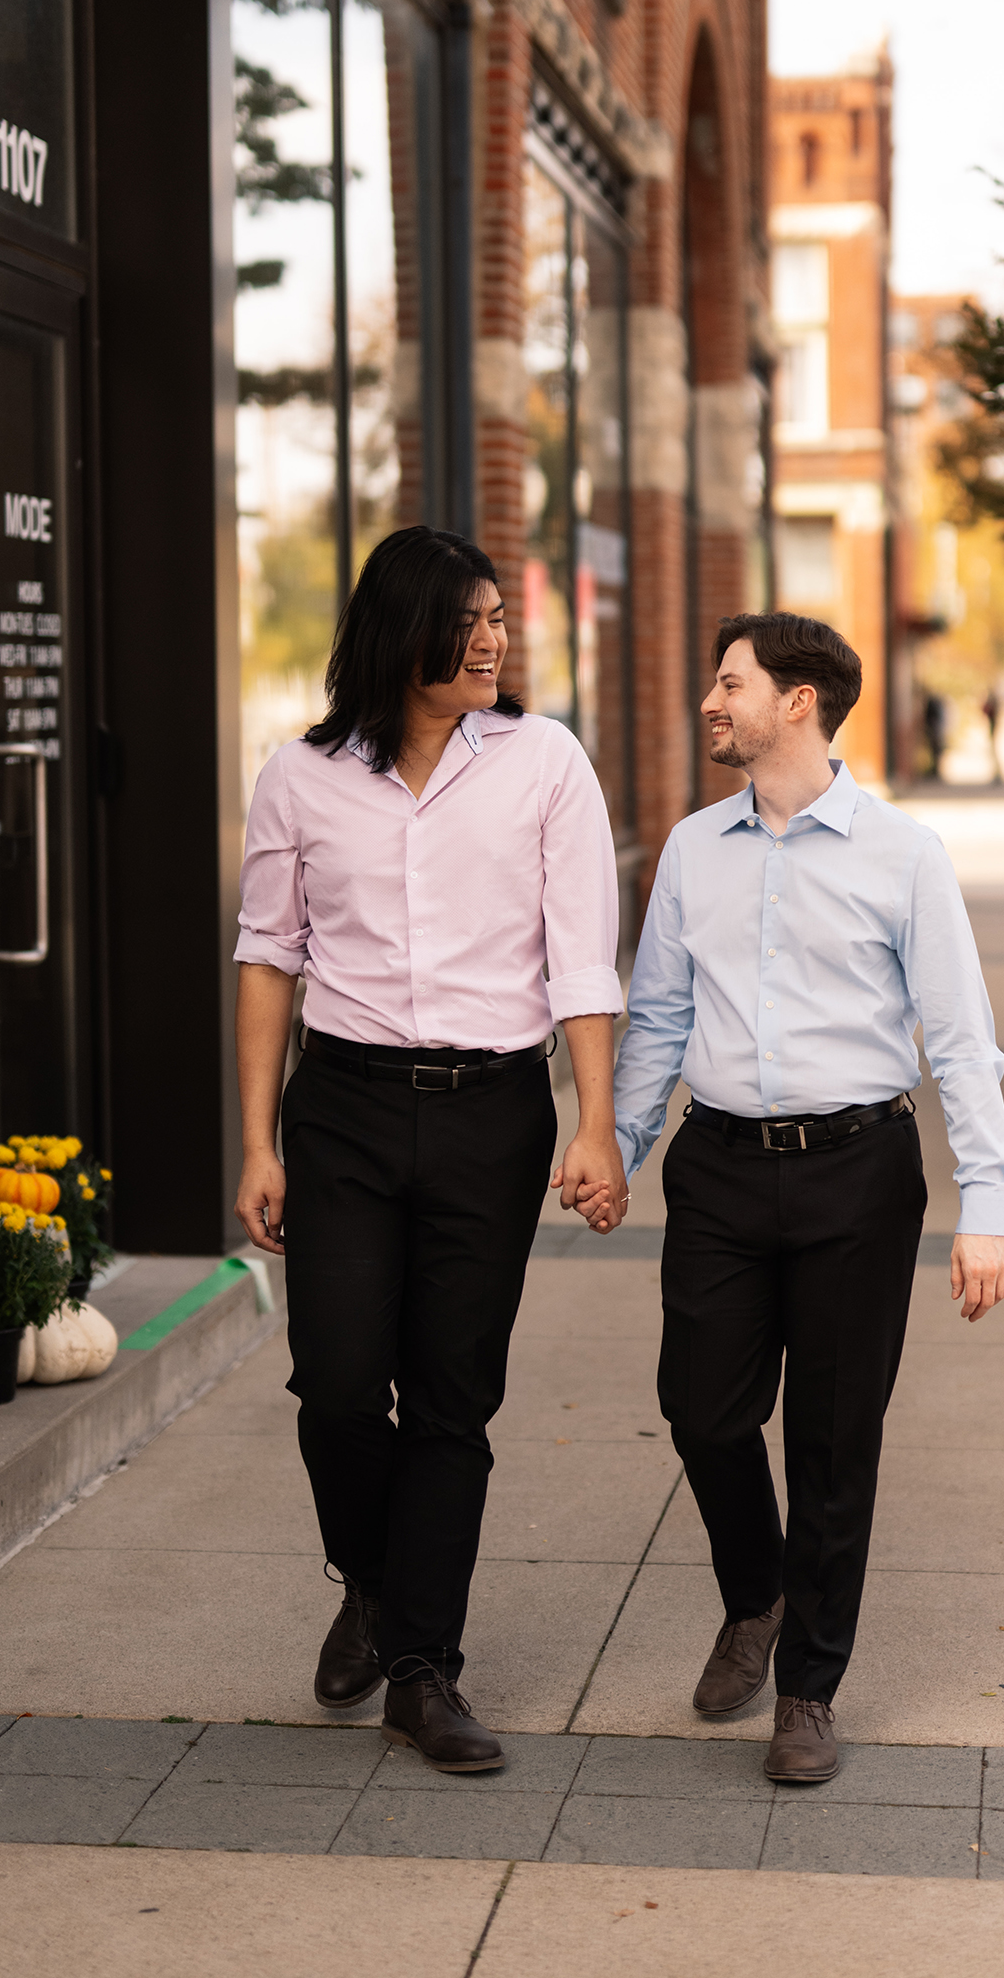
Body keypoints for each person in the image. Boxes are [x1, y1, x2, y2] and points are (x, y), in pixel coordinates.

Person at [233, 525, 627, 1773]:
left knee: (453, 1396)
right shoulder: (299, 775)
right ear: (404, 630)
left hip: (489, 1112)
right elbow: (266, 958)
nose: (495, 638)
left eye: (501, 616)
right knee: (338, 1383)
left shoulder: (544, 762)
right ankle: (370, 1576)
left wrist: (595, 1120)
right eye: (472, 618)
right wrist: (255, 1141)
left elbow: (579, 956)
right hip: (341, 1106)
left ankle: (421, 1667)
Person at [602, 612, 1004, 1785]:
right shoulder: (692, 850)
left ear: (797, 702)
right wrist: (617, 1144)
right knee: (700, 1406)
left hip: (856, 1173)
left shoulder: (902, 854)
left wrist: (981, 1204)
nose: (707, 701)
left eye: (727, 682)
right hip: (721, 1165)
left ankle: (807, 1689)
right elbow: (660, 1018)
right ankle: (756, 1590)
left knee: (835, 1442)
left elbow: (958, 1036)